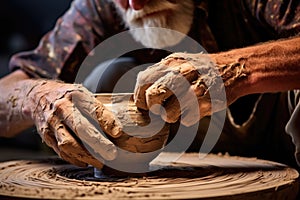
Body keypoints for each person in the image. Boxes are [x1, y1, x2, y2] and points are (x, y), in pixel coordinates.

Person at [0, 0, 299, 170]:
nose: (134, 3)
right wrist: (37, 99)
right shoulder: (99, 7)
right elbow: (8, 90)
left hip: (283, 132)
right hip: (177, 162)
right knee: (105, 76)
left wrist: (239, 70)